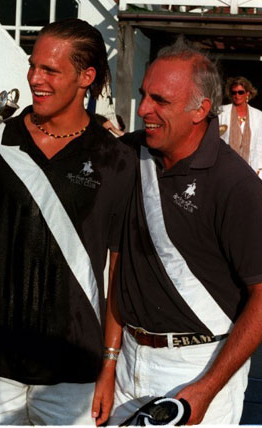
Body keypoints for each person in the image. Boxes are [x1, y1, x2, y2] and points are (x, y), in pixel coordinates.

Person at [0, 18, 136, 426]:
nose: (34, 79)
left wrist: (109, 363)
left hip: (74, 366)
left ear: (87, 76)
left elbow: (119, 265)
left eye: (50, 70)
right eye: (33, 66)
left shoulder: (116, 160)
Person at [103, 39, 262, 425]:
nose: (142, 110)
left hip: (199, 368)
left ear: (200, 110)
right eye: (143, 95)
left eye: (160, 100)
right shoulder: (131, 154)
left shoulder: (234, 184)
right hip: (127, 360)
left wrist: (206, 389)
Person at [218, 76, 262, 176]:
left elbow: (260, 144)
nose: (237, 95)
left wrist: (259, 167)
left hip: (251, 168)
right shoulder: (221, 112)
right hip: (226, 166)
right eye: (234, 92)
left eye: (240, 92)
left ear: (248, 93)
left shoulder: (258, 116)